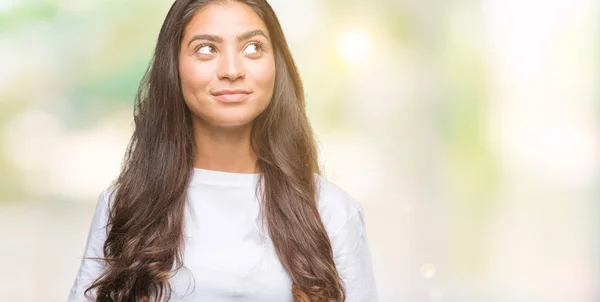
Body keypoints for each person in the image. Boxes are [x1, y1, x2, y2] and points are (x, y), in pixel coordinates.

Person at [68, 0, 378, 301]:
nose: (232, 70)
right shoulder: (124, 206)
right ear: (173, 67)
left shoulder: (331, 211)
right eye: (207, 49)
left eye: (253, 47)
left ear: (277, 64)